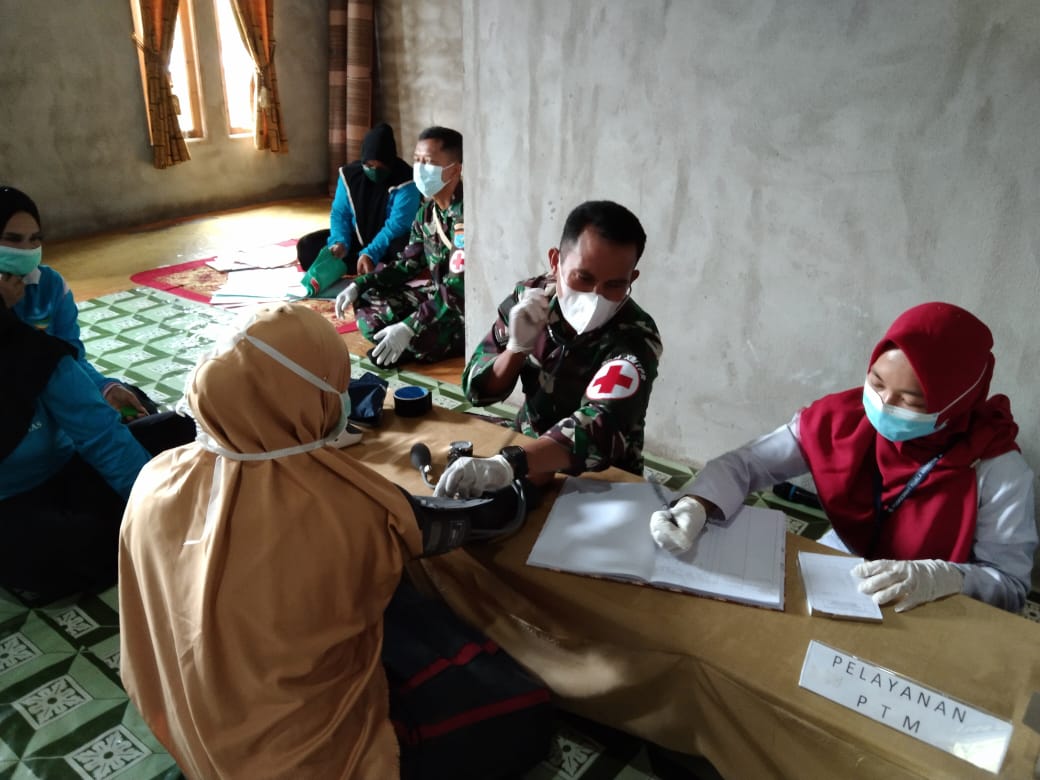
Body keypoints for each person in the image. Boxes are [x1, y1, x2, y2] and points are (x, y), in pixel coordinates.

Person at [119, 303, 549, 779]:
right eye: (335, 386)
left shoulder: (155, 477)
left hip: (185, 722)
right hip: (297, 764)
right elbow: (463, 522)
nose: (343, 397)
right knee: (521, 714)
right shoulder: (345, 506)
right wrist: (521, 478)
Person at [649, 302, 1037, 614]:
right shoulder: (843, 419)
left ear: (956, 402)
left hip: (930, 600)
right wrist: (696, 503)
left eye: (911, 401)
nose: (884, 404)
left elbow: (1011, 587)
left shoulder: (995, 468)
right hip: (841, 564)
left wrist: (942, 579)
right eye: (877, 382)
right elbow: (747, 464)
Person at [432, 200, 662, 499]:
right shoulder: (530, 299)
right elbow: (477, 390)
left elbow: (600, 424)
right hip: (526, 443)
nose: (597, 297)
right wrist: (516, 350)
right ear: (556, 261)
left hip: (597, 472)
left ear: (632, 279)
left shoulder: (636, 336)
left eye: (615, 285)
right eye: (584, 278)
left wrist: (510, 463)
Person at [0, 296, 154, 599]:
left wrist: (155, 507)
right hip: (8, 501)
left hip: (66, 467)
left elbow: (102, 435)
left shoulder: (33, 352)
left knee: (178, 436)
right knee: (59, 552)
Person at [0, 185, 154, 418]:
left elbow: (70, 357)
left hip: (55, 392)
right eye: (13, 239)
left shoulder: (49, 285)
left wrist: (105, 387)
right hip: (11, 406)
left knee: (139, 409)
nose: (27, 250)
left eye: (35, 239)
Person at [335, 126, 465, 369]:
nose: (420, 169)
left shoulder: (465, 217)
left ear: (455, 169)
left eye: (429, 162)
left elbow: (458, 292)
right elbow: (408, 263)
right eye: (417, 160)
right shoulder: (427, 212)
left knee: (421, 334)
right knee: (368, 298)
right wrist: (359, 284)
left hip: (462, 307)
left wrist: (409, 326)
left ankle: (408, 341)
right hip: (437, 296)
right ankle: (400, 343)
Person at [296, 122, 420, 276]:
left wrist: (370, 253)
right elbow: (340, 213)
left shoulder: (407, 181)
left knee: (407, 251)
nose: (374, 170)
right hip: (358, 236)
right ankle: (366, 265)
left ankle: (363, 263)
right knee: (307, 247)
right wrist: (339, 242)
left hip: (389, 241)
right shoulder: (349, 176)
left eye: (381, 167)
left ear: (391, 162)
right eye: (369, 165)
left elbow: (397, 225)